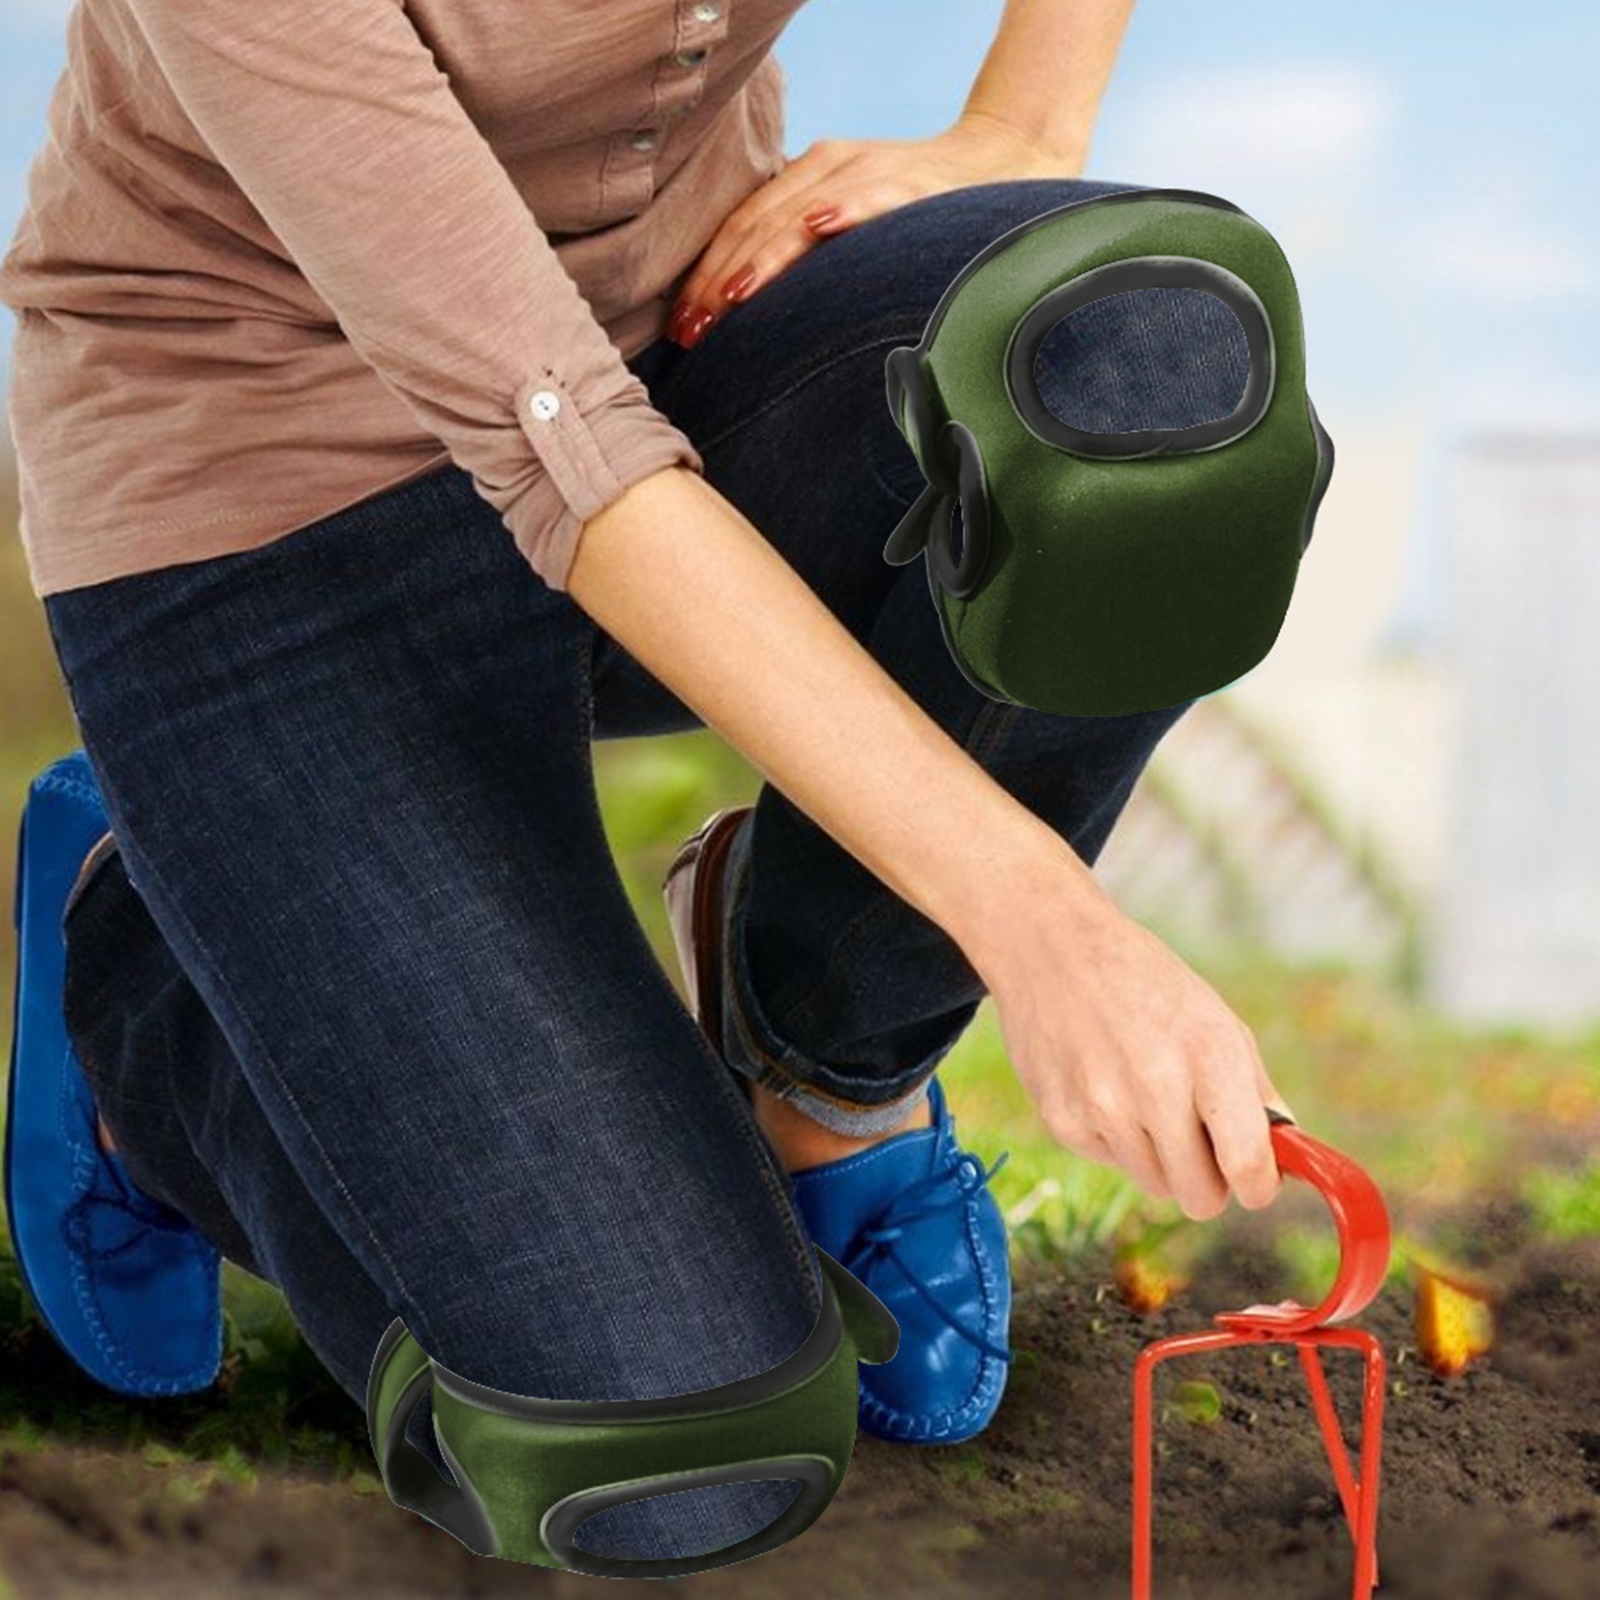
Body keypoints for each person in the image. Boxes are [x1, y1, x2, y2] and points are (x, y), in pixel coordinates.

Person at [1, 0, 1293, 1566]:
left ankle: (826, 1071)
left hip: (683, 351)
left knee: (1147, 351)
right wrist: (1040, 920)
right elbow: (559, 439)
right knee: (670, 1455)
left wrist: (1022, 124)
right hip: (273, 505)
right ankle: (151, 967)